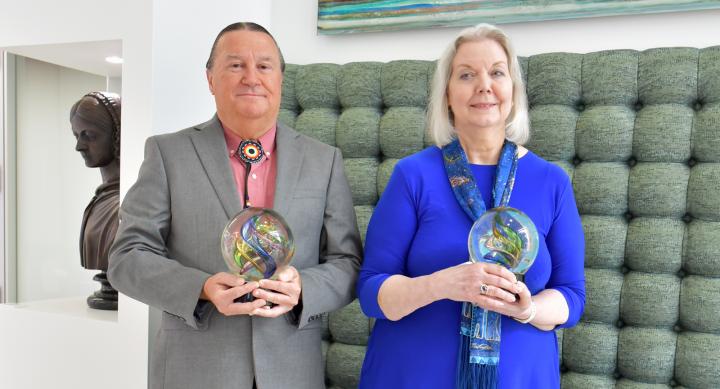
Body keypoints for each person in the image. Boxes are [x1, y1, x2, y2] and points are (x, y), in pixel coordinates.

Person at [108, 22, 362, 389]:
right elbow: (127, 257)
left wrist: (302, 286)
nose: (251, 77)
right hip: (194, 371)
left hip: (292, 372)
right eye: (235, 65)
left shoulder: (324, 160)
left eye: (264, 66)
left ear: (280, 79)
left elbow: (348, 263)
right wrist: (202, 287)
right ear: (211, 79)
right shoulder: (168, 154)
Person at [357, 23, 585, 389]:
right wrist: (441, 285)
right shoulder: (412, 175)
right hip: (411, 376)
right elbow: (371, 292)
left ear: (513, 90)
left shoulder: (551, 182)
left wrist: (528, 310)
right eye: (466, 75)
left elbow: (572, 295)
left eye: (497, 72)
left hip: (521, 378)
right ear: (447, 94)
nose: (484, 85)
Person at [70, 91, 121, 310]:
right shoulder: (101, 201)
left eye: (88, 135)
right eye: (76, 135)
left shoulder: (125, 206)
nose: (79, 146)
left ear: (116, 134)